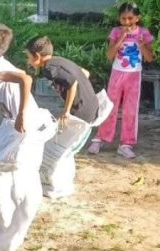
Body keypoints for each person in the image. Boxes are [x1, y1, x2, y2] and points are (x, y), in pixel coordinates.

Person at [0, 21, 57, 251]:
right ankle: (2, 230)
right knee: (14, 173)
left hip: (22, 126)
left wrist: (20, 115)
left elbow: (25, 79)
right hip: (17, 124)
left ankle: (5, 231)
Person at [26, 35, 112, 198]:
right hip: (90, 108)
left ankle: (55, 187)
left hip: (81, 113)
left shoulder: (48, 69)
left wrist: (66, 110)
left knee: (57, 150)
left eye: (29, 58)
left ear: (37, 56)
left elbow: (72, 82)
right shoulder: (60, 61)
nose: (29, 62)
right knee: (66, 149)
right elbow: (84, 73)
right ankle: (62, 183)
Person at [88, 2, 154, 159]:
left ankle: (126, 143)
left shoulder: (143, 32)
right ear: (119, 18)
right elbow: (109, 56)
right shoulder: (116, 32)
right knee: (110, 106)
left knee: (130, 110)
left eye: (130, 18)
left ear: (137, 18)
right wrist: (121, 38)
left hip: (134, 76)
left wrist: (143, 45)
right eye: (123, 19)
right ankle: (101, 138)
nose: (126, 22)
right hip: (117, 74)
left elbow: (150, 58)